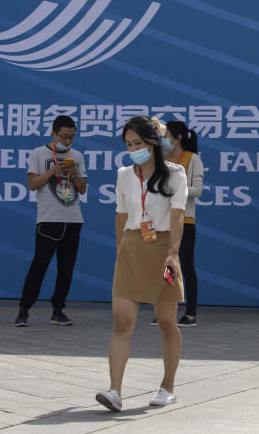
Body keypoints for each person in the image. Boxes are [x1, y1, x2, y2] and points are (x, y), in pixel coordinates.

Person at [95, 115, 188, 412]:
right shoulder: (124, 174)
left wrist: (173, 253)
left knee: (166, 322)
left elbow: (177, 217)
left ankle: (168, 386)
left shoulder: (175, 174)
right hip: (133, 246)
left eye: (138, 143)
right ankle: (114, 391)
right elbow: (121, 214)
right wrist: (121, 248)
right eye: (128, 144)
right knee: (122, 321)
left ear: (152, 143)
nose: (133, 148)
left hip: (162, 248)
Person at [14, 115, 88, 327]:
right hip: (48, 220)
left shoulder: (77, 156)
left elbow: (82, 189)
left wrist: (74, 173)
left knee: (67, 268)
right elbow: (32, 184)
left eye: (71, 137)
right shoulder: (38, 153)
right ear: (54, 133)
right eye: (64, 137)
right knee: (39, 265)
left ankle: (58, 310)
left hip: (73, 219)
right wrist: (53, 171)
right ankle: (24, 310)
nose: (67, 141)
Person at [164, 120, 204, 326]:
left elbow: (198, 189)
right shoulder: (162, 158)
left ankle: (190, 313)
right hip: (162, 220)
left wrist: (178, 190)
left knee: (186, 265)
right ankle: (165, 310)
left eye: (167, 136)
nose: (164, 141)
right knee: (164, 266)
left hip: (184, 219)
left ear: (178, 137)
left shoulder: (192, 159)